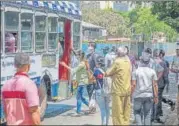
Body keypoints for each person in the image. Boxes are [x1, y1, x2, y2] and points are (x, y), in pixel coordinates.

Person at [2, 53, 40, 125]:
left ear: (15, 65)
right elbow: (34, 111)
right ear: (28, 66)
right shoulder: (29, 84)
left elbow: (6, 111)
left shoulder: (5, 86)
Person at [104, 46, 132, 125]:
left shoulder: (117, 62)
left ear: (118, 53)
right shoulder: (128, 61)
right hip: (127, 90)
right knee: (126, 111)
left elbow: (107, 73)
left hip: (118, 90)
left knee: (117, 113)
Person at [131, 52, 158, 125]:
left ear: (140, 61)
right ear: (149, 62)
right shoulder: (152, 71)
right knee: (147, 114)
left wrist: (131, 95)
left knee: (137, 112)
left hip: (138, 96)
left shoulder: (135, 72)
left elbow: (133, 85)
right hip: (148, 96)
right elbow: (155, 85)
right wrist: (156, 96)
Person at [93, 56, 110, 125]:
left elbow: (93, 80)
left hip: (99, 91)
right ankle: (107, 123)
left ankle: (103, 124)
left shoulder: (96, 71)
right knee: (107, 108)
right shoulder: (107, 70)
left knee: (102, 109)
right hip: (107, 91)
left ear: (98, 63)